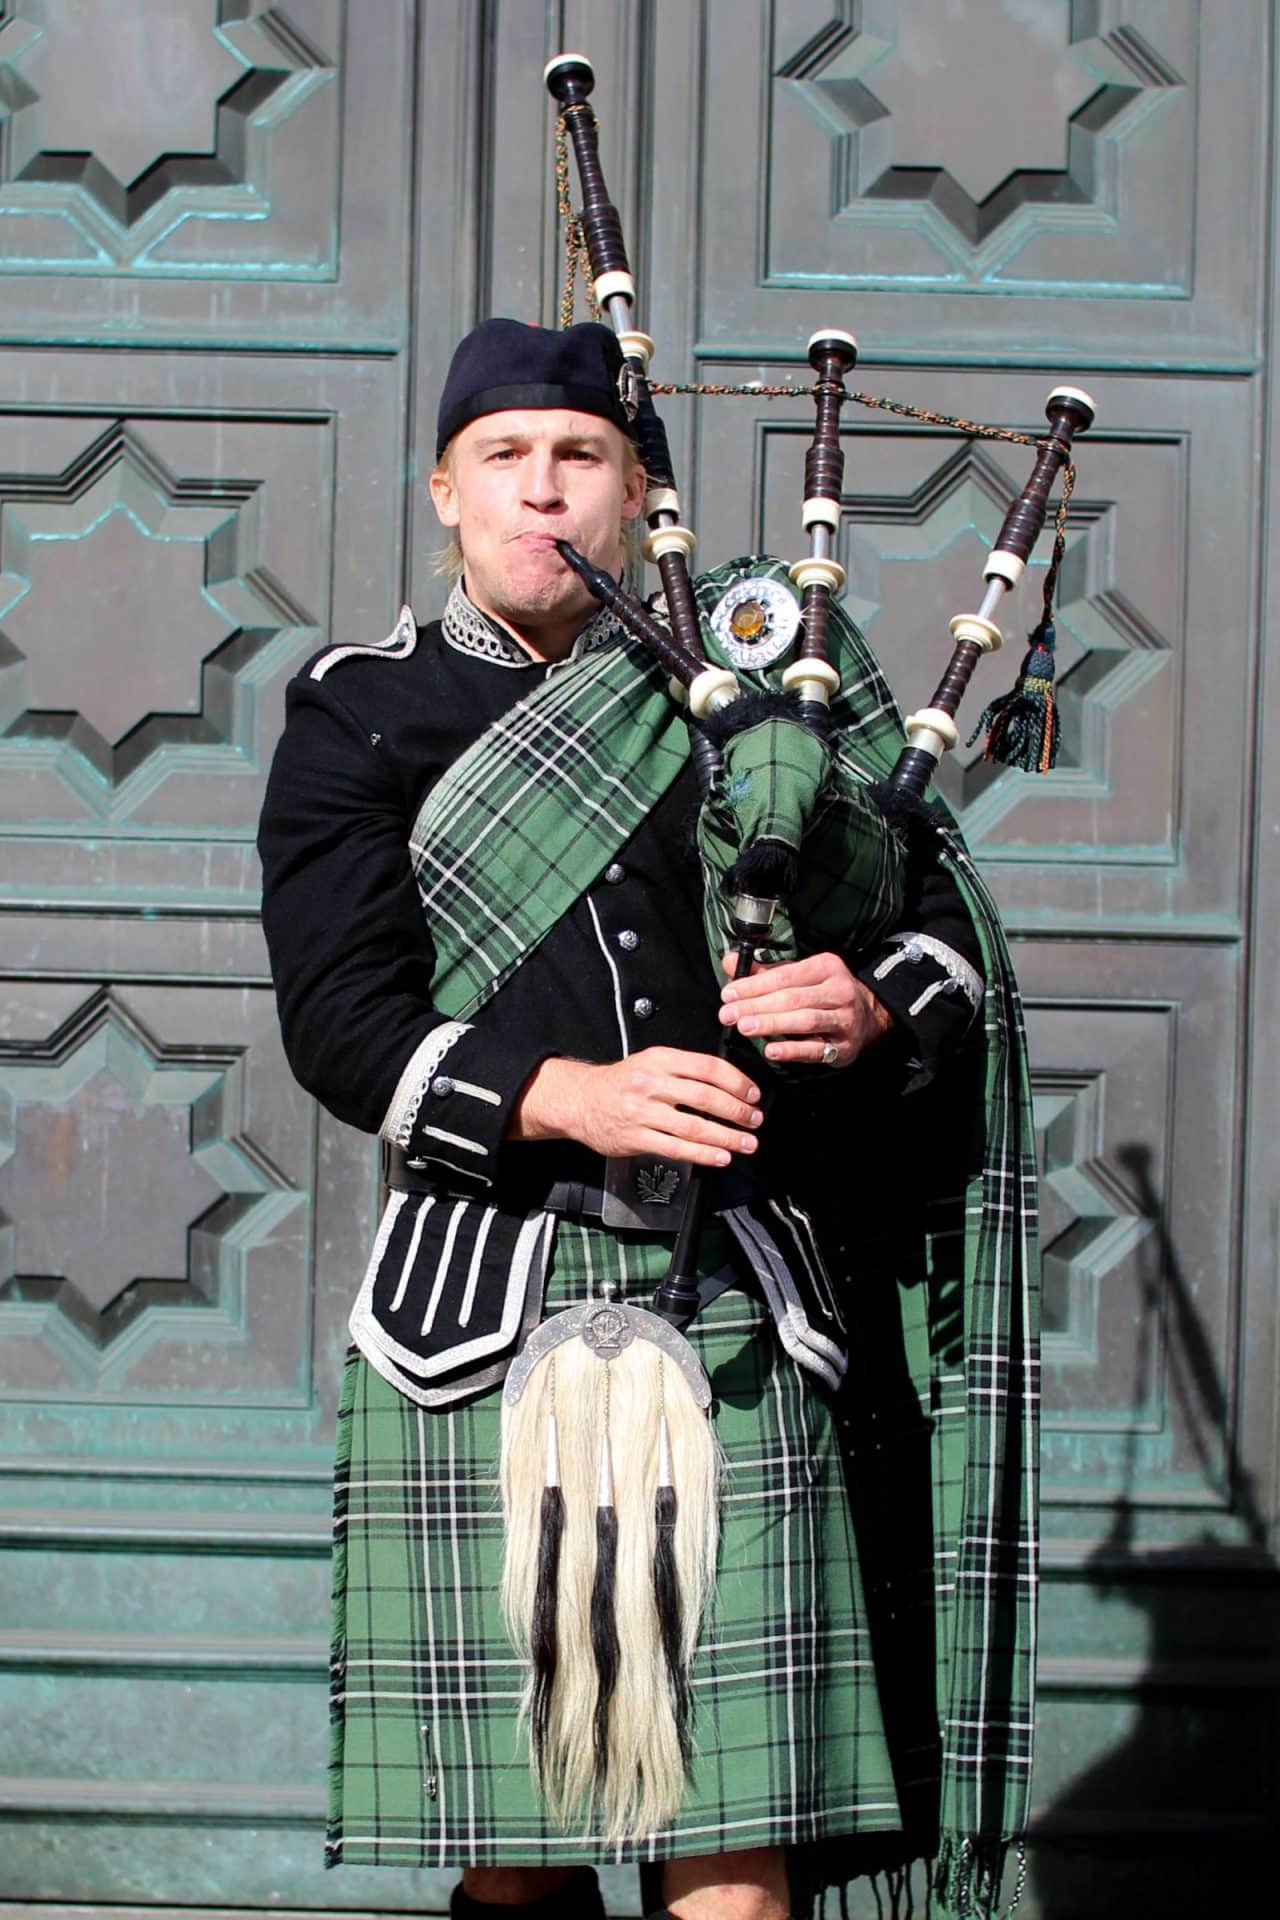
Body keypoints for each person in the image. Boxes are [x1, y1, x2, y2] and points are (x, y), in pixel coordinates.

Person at [258, 321, 999, 1920]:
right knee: (520, 1861)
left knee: (733, 1849)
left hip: (738, 1291)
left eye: (579, 457)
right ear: (444, 493)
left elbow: (935, 931)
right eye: (504, 461)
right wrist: (565, 1094)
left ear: (636, 492)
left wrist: (870, 1007)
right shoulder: (359, 710)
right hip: (484, 1299)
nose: (543, 494)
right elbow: (339, 1022)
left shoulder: (757, 690)